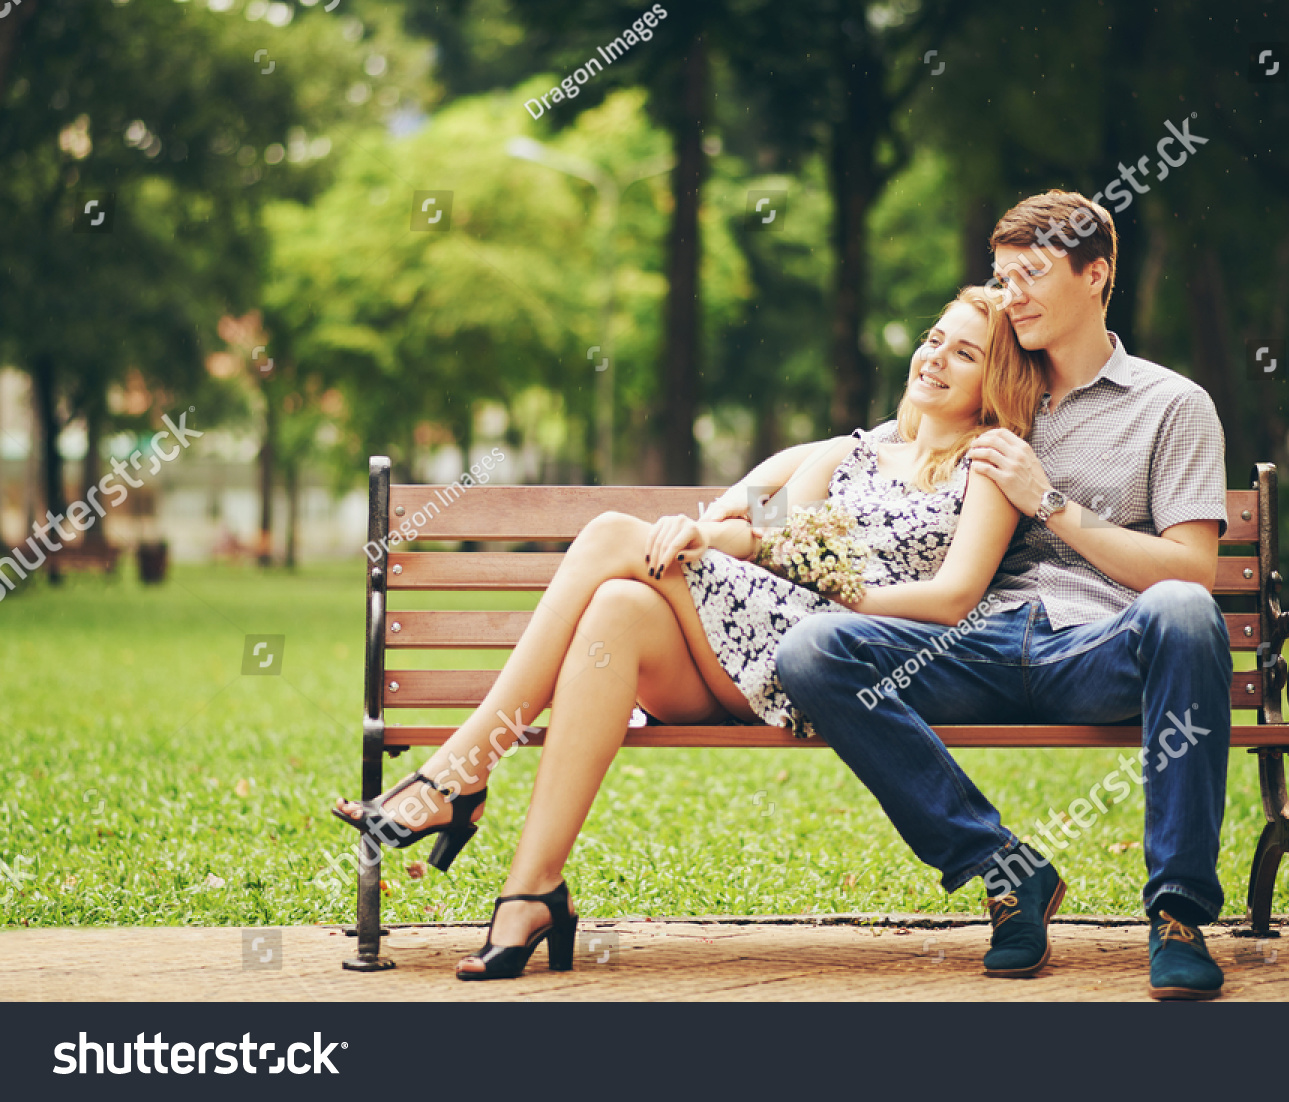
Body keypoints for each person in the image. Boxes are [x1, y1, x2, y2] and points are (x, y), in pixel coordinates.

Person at [332, 285, 1045, 980]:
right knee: (614, 605)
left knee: (614, 535)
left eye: (965, 353)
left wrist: (847, 591)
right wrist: (706, 529)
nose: (935, 358)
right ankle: (532, 891)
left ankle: (459, 776)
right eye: (932, 340)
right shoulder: (848, 456)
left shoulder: (989, 464)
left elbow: (955, 598)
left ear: (995, 380)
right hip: (731, 659)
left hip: (827, 659)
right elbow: (757, 527)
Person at [760, 190, 1233, 1000]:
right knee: (812, 650)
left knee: (1185, 611)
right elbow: (858, 451)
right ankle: (1006, 867)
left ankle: (1178, 913)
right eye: (1001, 276)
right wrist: (726, 515)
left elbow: (1190, 572)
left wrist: (1052, 503)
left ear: (1097, 276)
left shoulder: (1172, 406)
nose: (1010, 294)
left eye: (1031, 275)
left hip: (1099, 648)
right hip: (971, 642)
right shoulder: (990, 390)